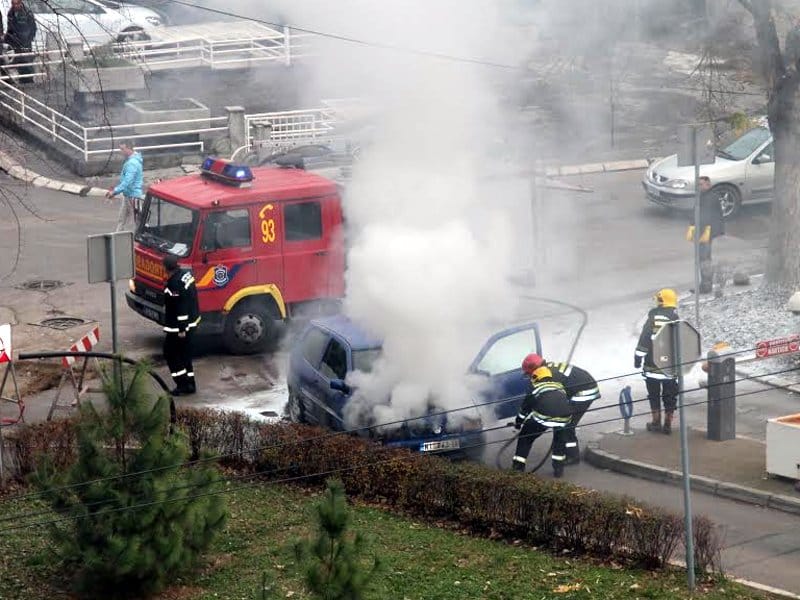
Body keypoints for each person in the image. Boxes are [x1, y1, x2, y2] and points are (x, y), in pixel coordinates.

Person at [526, 354, 600, 465]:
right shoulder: (547, 369)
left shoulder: (547, 376)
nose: (529, 377)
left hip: (584, 392)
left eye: (529, 373)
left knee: (566, 423)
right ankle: (569, 452)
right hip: (580, 388)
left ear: (534, 369)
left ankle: (573, 456)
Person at [512, 354, 574, 478]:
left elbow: (525, 409)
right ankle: (558, 469)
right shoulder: (558, 385)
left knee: (525, 437)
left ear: (534, 375)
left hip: (543, 417)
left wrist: (518, 423)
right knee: (559, 440)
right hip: (565, 417)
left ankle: (517, 469)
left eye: (529, 375)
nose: (529, 377)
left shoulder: (535, 387)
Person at [635, 288, 679, 434]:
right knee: (670, 395)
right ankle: (668, 423)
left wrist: (637, 358)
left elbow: (644, 341)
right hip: (670, 368)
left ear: (660, 301)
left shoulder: (652, 319)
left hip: (652, 366)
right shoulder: (676, 319)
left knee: (654, 395)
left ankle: (656, 422)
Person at [162, 254, 200, 396]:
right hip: (192, 322)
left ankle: (182, 384)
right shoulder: (186, 275)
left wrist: (181, 329)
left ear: (166, 268)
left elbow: (181, 307)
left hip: (179, 327)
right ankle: (190, 384)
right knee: (185, 355)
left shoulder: (174, 283)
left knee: (170, 354)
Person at [686, 176, 724, 294]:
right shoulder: (704, 196)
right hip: (704, 231)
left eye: (701, 184)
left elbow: (705, 217)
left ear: (708, 185)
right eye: (698, 184)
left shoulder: (710, 198)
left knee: (704, 259)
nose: (699, 187)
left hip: (705, 232)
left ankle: (706, 286)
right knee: (703, 258)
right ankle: (705, 284)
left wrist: (697, 232)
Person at [105, 140, 144, 232]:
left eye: (123, 149)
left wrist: (114, 191)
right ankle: (118, 238)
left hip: (132, 196)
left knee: (135, 223)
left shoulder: (132, 163)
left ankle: (133, 241)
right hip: (129, 195)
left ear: (129, 148)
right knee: (122, 220)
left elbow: (127, 182)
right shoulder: (133, 161)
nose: (121, 151)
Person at [4, 0, 36, 85]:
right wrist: (7, 39)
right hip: (16, 42)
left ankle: (29, 81)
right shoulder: (11, 13)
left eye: (17, 3)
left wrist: (28, 39)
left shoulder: (27, 12)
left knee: (27, 61)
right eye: (13, 4)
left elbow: (33, 28)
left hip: (26, 41)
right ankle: (22, 80)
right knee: (19, 61)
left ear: (21, 3)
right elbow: (10, 28)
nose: (15, 6)